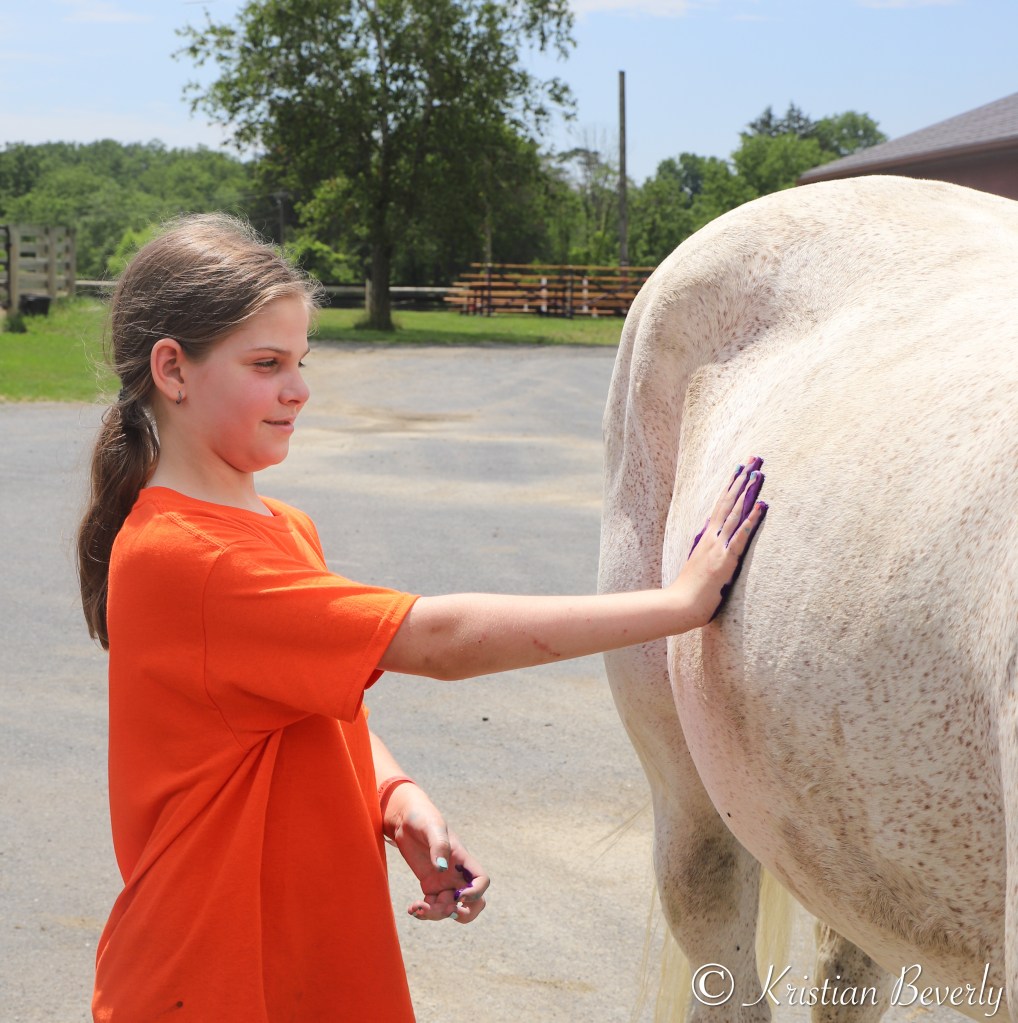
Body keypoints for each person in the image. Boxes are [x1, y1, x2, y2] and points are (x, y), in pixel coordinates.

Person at [76, 214, 768, 1022]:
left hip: (308, 963)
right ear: (173, 369)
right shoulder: (186, 557)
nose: (298, 388)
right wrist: (678, 603)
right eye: (266, 364)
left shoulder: (280, 527)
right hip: (213, 978)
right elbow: (441, 642)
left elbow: (299, 702)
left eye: (301, 362)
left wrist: (393, 795)